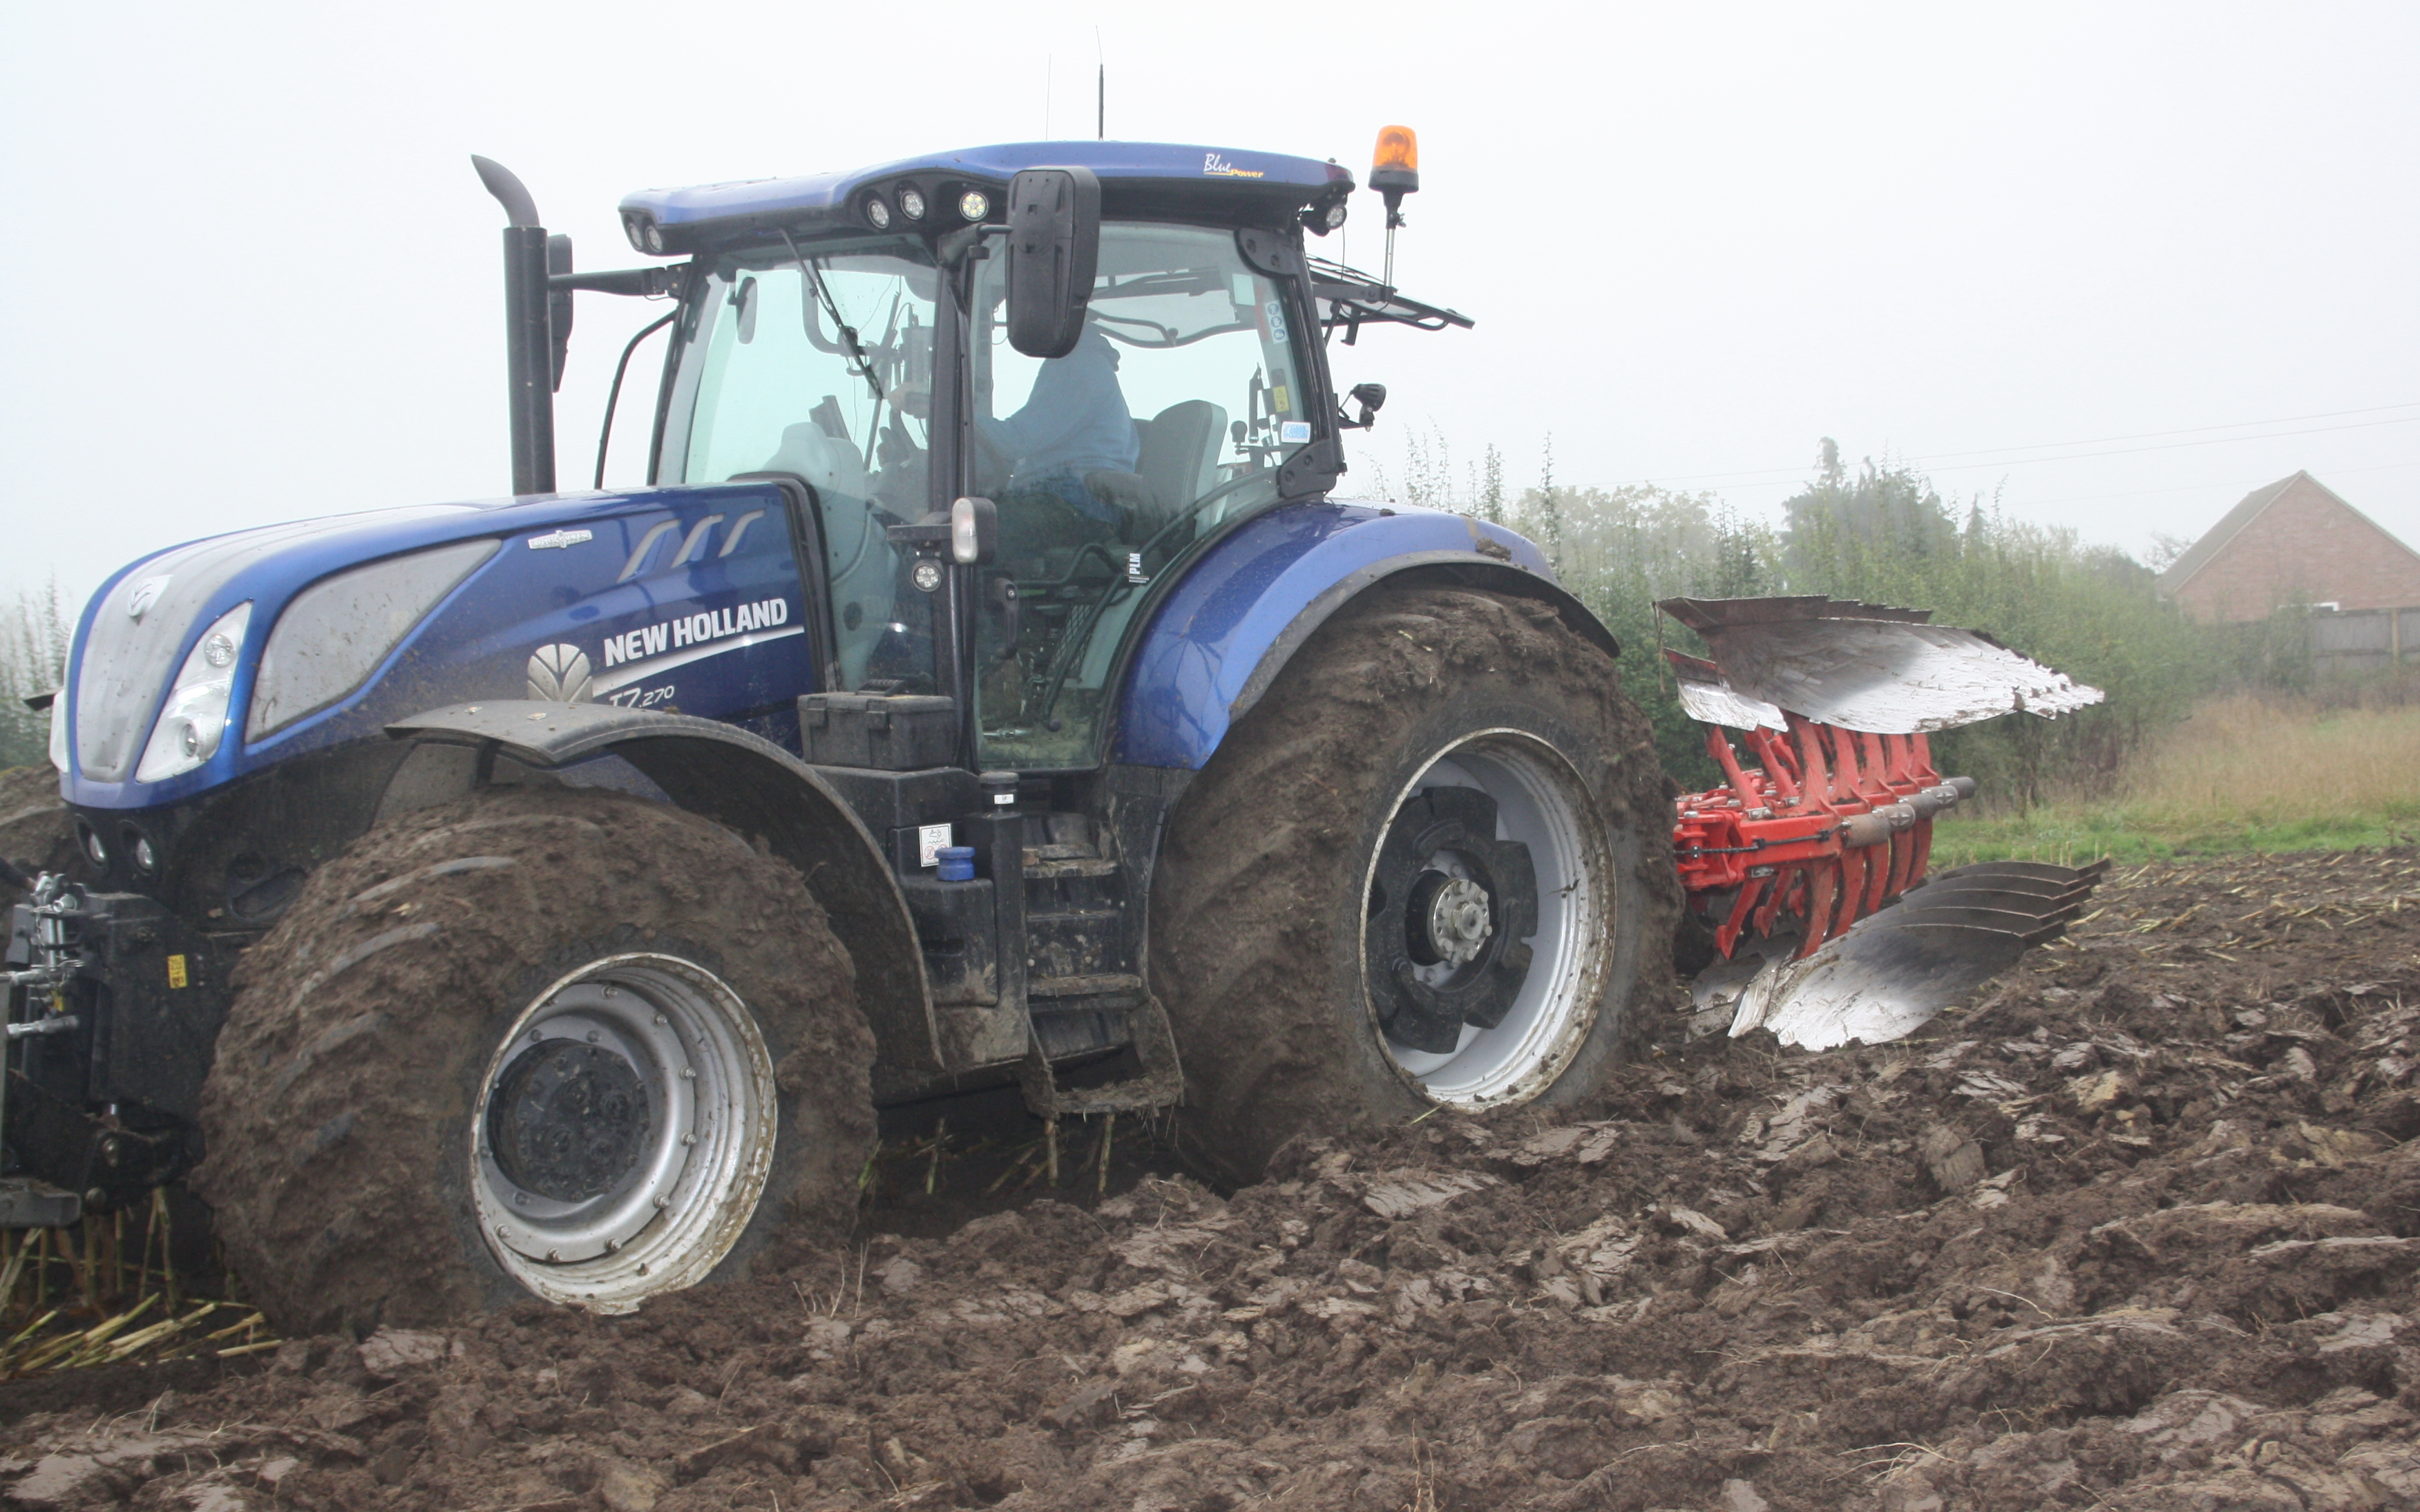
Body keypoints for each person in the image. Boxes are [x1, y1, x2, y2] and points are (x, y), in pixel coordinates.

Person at [976, 321, 1138, 554]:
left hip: (1075, 505)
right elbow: (1024, 447)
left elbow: (1016, 440)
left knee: (955, 539)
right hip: (1068, 499)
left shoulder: (1080, 366)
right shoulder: (1080, 364)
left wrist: (945, 411)